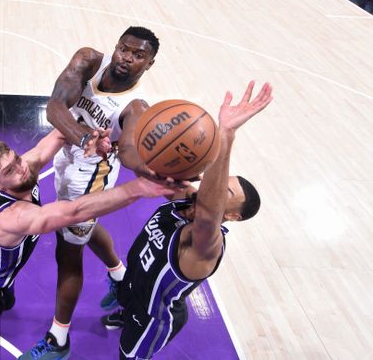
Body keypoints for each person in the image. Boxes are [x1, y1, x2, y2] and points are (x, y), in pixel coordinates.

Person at [0, 129, 175, 360]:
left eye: (17, 160)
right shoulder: (15, 216)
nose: (21, 169)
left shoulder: (25, 168)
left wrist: (91, 137)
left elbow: (58, 134)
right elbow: (74, 211)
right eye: (9, 171)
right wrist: (138, 188)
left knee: (9, 302)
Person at [21, 26, 166, 359]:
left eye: (138, 55)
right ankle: (119, 275)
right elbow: (55, 107)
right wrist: (84, 137)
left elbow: (128, 151)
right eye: (124, 49)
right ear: (115, 47)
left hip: (92, 175)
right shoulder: (88, 61)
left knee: (68, 252)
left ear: (150, 64)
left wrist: (146, 168)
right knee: (83, 228)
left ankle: (59, 339)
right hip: (70, 152)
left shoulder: (136, 107)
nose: (127, 59)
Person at [101, 81, 273, 359]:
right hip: (134, 284)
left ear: (232, 215)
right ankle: (124, 311)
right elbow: (148, 172)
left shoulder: (205, 244)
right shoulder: (188, 200)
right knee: (128, 294)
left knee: (128, 356)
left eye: (223, 191)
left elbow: (208, 214)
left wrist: (225, 135)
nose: (211, 188)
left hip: (150, 317)